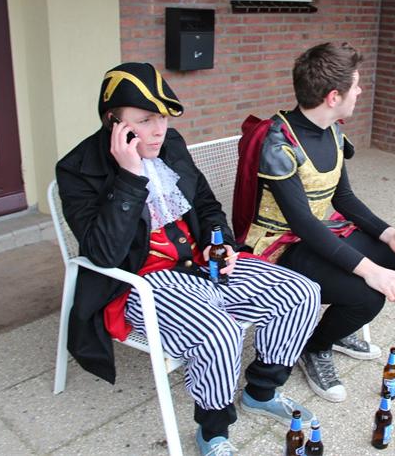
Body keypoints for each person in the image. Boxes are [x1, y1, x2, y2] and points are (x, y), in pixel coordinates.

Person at [56, 62, 321, 455]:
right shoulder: (77, 169)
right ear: (113, 122)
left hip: (200, 263)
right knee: (220, 332)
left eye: (162, 118)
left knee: (301, 292)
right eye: (144, 120)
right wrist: (129, 177)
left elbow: (207, 205)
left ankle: (261, 391)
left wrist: (222, 243)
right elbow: (103, 253)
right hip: (141, 281)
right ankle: (213, 432)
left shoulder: (171, 145)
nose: (159, 130)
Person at [233, 42, 395, 402]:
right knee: (367, 295)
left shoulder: (333, 131)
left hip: (319, 232)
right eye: (355, 85)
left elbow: (344, 199)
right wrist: (370, 270)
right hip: (279, 247)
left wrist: (389, 234)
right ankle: (315, 347)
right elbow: (302, 224)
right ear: (333, 97)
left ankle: (335, 329)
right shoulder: (279, 143)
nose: (360, 91)